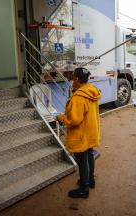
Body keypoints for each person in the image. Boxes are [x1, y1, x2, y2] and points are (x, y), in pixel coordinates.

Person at [57, 67, 101, 198]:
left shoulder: (79, 97)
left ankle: (84, 189)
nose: (71, 80)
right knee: (89, 156)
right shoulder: (91, 91)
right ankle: (90, 181)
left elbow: (74, 120)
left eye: (72, 78)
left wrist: (61, 118)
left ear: (76, 78)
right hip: (90, 132)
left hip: (81, 135)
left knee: (82, 161)